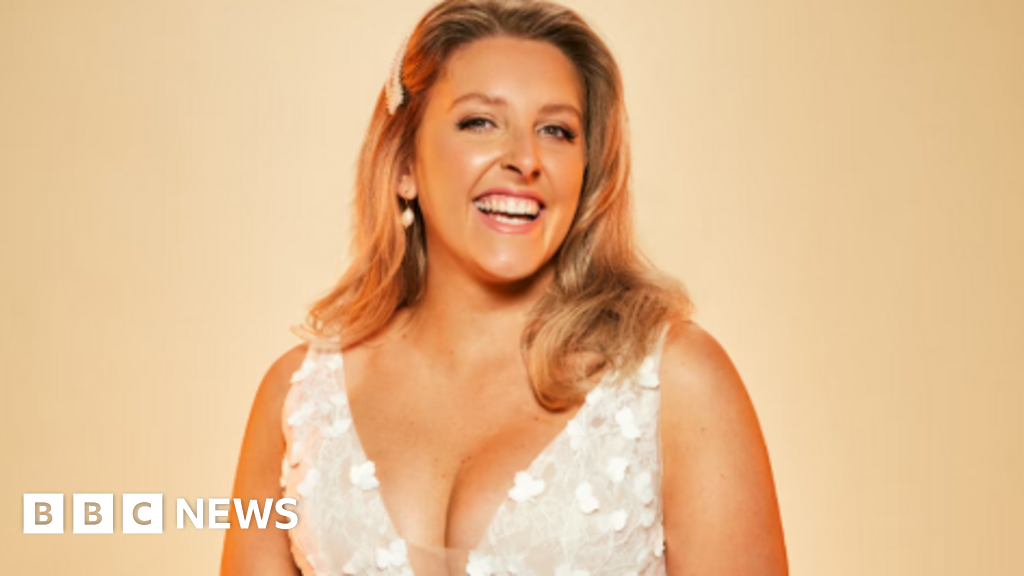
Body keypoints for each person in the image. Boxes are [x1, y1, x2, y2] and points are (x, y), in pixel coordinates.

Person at [222, 0, 787, 574]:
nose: (525, 159)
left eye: (556, 130)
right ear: (404, 165)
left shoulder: (677, 384)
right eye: (480, 122)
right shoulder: (298, 401)